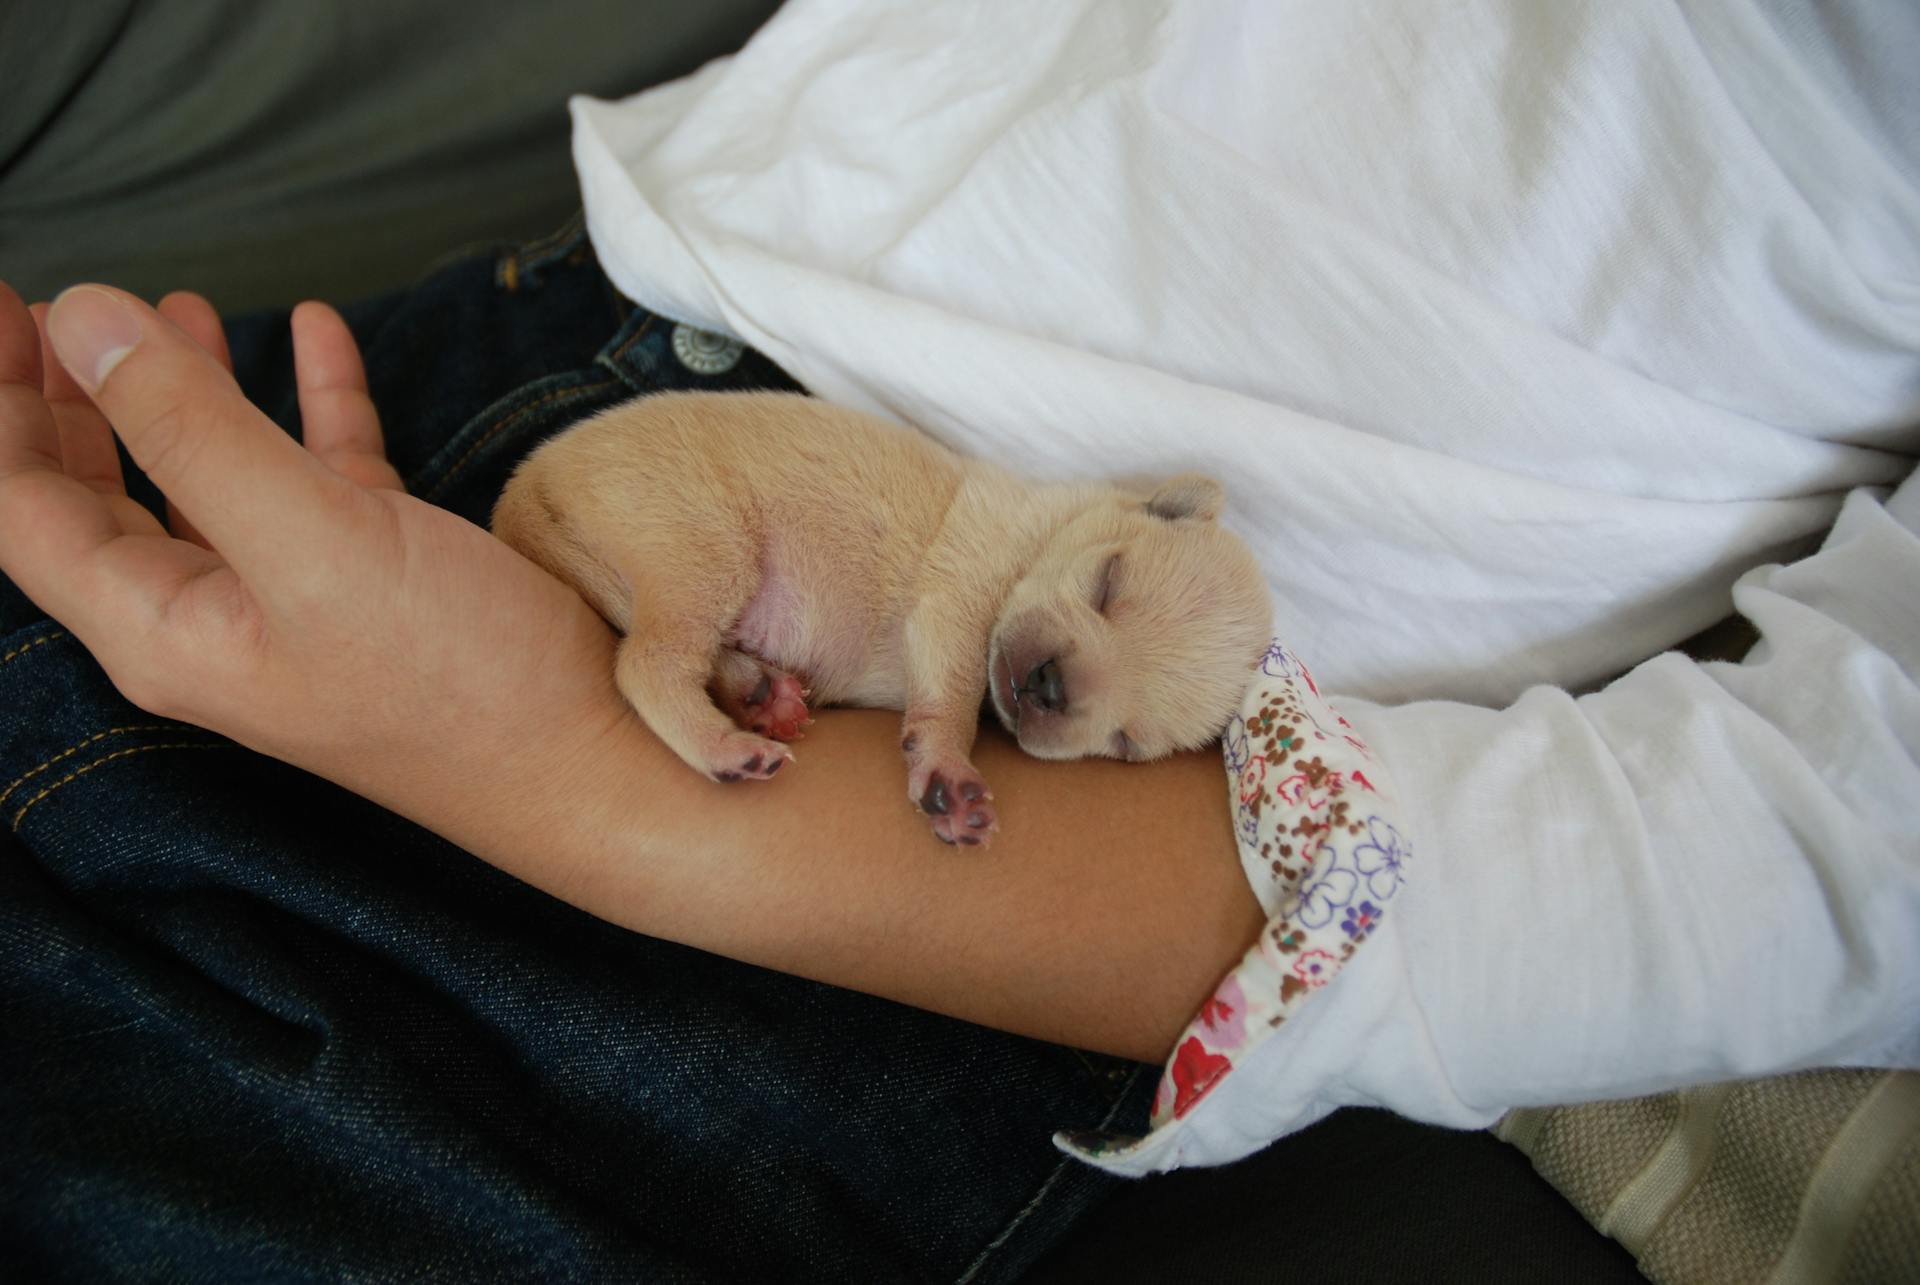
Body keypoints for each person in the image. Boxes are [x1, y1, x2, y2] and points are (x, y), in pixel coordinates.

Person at [3, 0, 1916, 1278]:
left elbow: (1819, 854)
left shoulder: (1080, 680)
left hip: (877, 884)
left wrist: (587, 777)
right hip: (584, 315)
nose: (1047, 656)